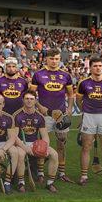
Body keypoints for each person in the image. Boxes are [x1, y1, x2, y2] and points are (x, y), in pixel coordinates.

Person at [30, 49, 74, 182]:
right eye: (51, 59)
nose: (54, 61)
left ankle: (61, 173)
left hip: (61, 116)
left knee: (61, 144)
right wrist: (39, 106)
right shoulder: (38, 75)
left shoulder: (66, 75)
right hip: (45, 116)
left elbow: (71, 94)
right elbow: (31, 95)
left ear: (60, 59)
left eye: (56, 59)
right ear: (46, 59)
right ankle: (41, 173)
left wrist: (70, 108)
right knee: (42, 145)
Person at [76, 56, 102, 187]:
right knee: (86, 146)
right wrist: (85, 112)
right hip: (89, 117)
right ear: (91, 67)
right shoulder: (83, 83)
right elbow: (78, 101)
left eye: (100, 66)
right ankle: (83, 176)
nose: (98, 68)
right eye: (95, 66)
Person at [13, 91, 59, 193]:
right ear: (23, 100)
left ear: (35, 100)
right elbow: (14, 137)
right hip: (21, 143)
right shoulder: (17, 115)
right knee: (21, 155)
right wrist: (25, 148)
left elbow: (45, 136)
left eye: (31, 99)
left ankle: (50, 183)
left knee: (54, 154)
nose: (29, 101)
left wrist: (44, 146)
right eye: (27, 99)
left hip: (35, 143)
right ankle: (21, 182)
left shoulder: (40, 116)